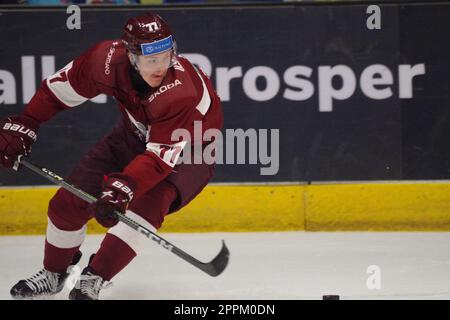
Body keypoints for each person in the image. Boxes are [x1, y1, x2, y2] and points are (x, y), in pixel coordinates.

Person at [0, 12, 223, 300]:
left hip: (189, 153)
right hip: (132, 136)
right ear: (131, 56)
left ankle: (95, 276)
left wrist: (124, 187)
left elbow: (158, 160)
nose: (161, 67)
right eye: (151, 60)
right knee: (66, 204)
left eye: (167, 57)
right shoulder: (104, 61)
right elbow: (58, 91)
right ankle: (54, 273)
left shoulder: (182, 92)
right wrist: (27, 122)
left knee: (144, 210)